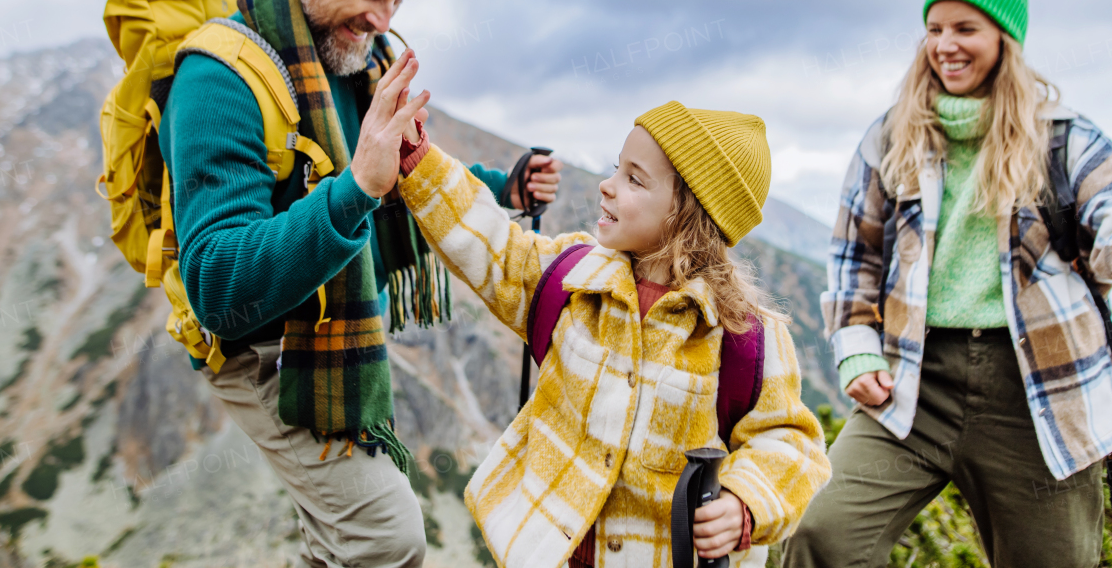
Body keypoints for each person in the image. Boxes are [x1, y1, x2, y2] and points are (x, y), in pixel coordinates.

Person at [157, 0, 562, 568]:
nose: (383, 19)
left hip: (329, 325)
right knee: (384, 534)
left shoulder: (353, 61)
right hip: (258, 343)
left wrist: (504, 187)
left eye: (401, 0)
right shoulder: (217, 78)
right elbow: (219, 287)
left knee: (342, 542)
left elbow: (393, 173)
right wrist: (354, 193)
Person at [783, 0, 1112, 568]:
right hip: (911, 380)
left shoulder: (1066, 140)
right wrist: (856, 348)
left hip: (1039, 388)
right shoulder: (889, 137)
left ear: (1005, 40)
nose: (945, 46)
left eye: (965, 29)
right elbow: (855, 255)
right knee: (823, 538)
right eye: (934, 29)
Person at [351, 66, 832, 567]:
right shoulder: (573, 278)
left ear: (686, 212)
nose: (606, 186)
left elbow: (792, 442)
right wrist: (418, 160)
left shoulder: (743, 335)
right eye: (616, 168)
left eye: (633, 179)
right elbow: (493, 244)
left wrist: (744, 502)